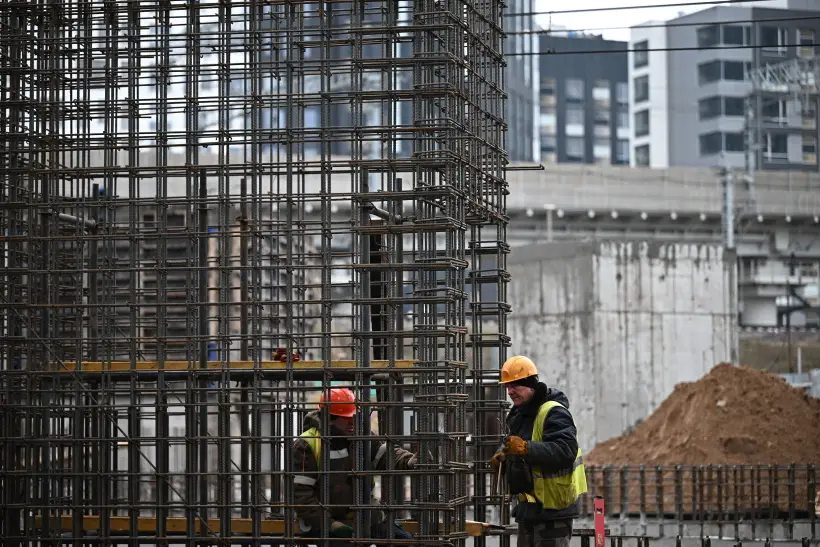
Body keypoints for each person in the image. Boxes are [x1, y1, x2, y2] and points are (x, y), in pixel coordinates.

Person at [292, 387, 417, 547]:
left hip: (366, 516)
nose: (353, 421)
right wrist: (330, 524)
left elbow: (384, 454)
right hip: (326, 522)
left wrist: (408, 460)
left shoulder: (359, 434)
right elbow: (301, 496)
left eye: (353, 416)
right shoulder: (307, 444)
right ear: (330, 418)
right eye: (347, 418)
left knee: (405, 542)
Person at [490, 356, 588, 547]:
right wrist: (505, 455)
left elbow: (565, 450)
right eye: (507, 387)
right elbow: (520, 443)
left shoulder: (553, 411)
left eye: (515, 386)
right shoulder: (521, 414)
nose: (510, 391)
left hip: (553, 510)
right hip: (529, 509)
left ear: (530, 386)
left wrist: (525, 448)